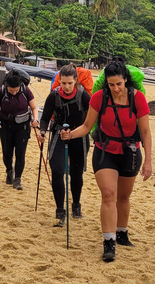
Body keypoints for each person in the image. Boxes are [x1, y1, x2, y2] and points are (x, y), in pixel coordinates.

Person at [61, 60, 152, 262]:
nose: (116, 88)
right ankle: (108, 242)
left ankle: (121, 233)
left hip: (130, 152)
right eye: (111, 85)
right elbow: (87, 126)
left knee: (124, 197)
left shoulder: (137, 99)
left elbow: (145, 132)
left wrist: (148, 162)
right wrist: (70, 135)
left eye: (119, 84)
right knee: (109, 195)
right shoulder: (100, 98)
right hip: (105, 152)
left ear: (126, 80)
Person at [38, 64, 91, 227]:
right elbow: (45, 117)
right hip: (59, 135)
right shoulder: (53, 96)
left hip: (79, 136)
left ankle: (76, 204)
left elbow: (92, 119)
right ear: (59, 81)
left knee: (76, 173)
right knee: (58, 170)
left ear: (76, 80)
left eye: (70, 83)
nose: (66, 87)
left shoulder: (84, 96)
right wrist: (42, 131)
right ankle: (60, 210)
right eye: (63, 83)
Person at [0, 70, 40, 191]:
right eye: (11, 90)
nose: (14, 92)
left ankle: (17, 179)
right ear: (7, 86)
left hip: (22, 126)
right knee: (7, 153)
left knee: (20, 153)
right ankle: (9, 171)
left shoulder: (25, 90)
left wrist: (36, 120)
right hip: (5, 125)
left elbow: (34, 107)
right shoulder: (1, 91)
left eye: (16, 90)